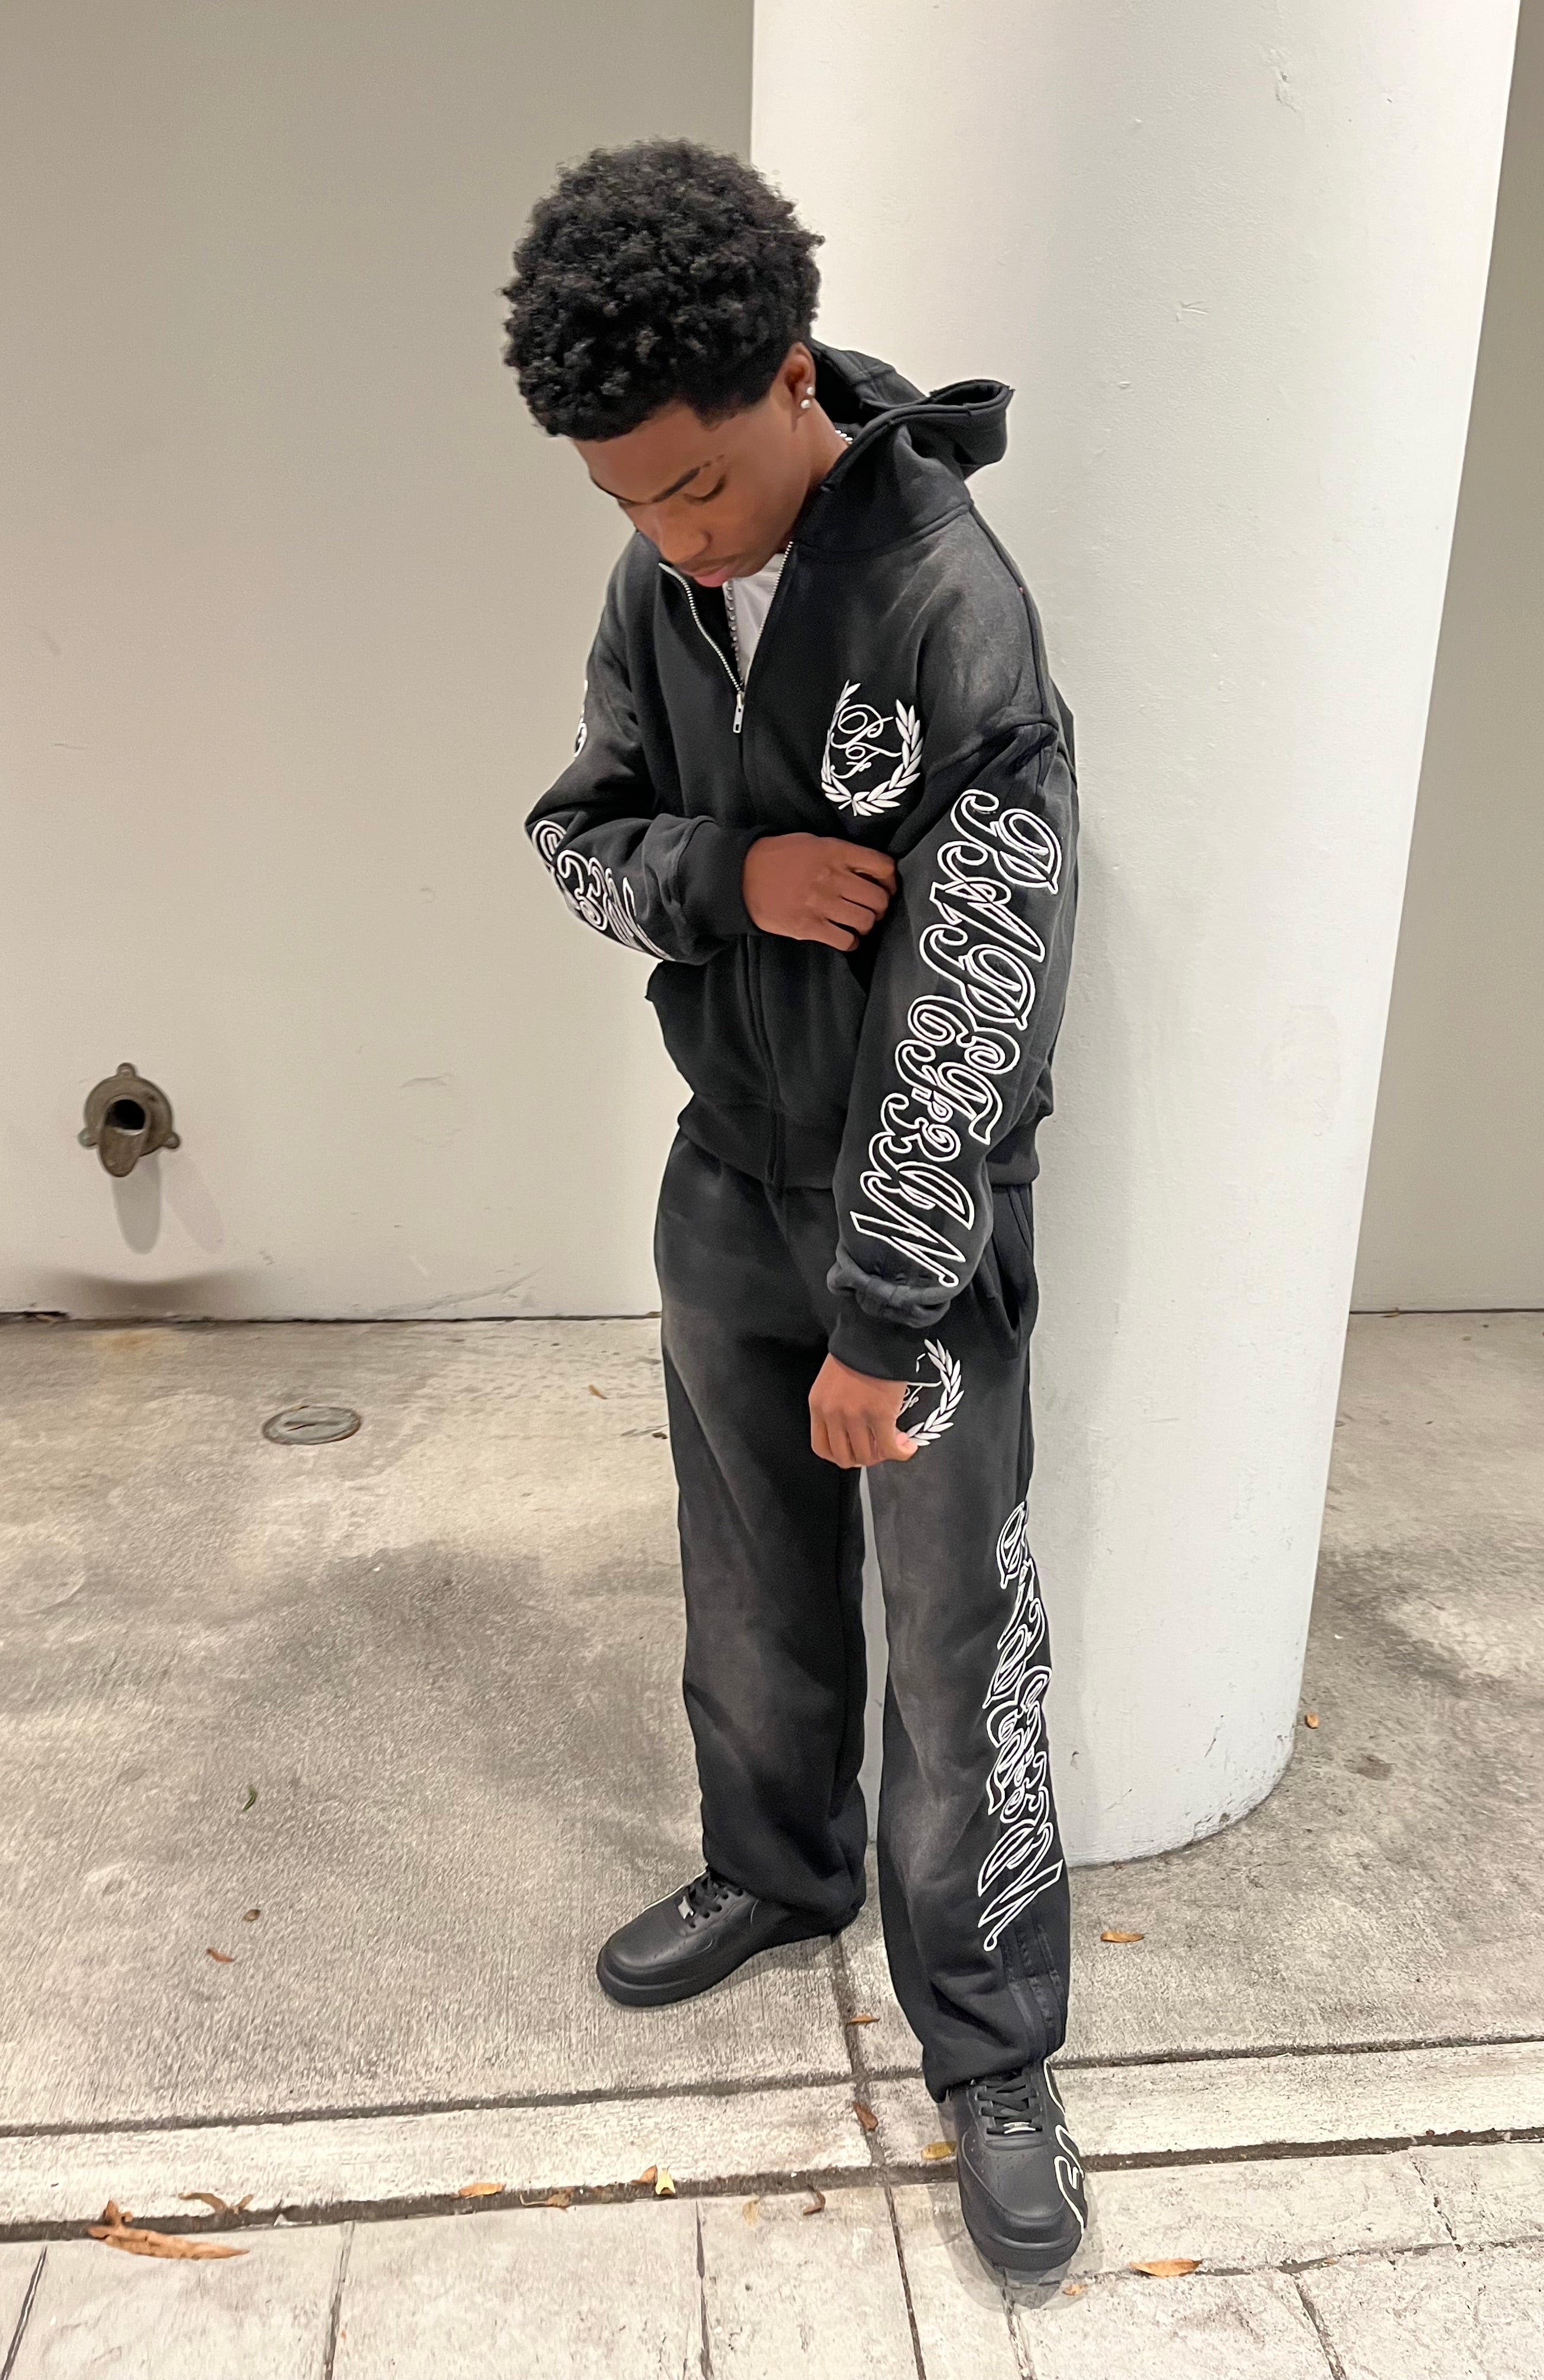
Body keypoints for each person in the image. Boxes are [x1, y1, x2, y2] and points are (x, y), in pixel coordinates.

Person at [504, 139, 1083, 2275]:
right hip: (723, 1182)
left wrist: (886, 1311)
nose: (672, 534)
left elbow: (982, 995)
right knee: (747, 1583)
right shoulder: (656, 587)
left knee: (954, 1644)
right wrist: (724, 877)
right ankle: (775, 1867)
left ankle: (995, 2051)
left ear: (791, 374)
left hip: (908, 1242)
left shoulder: (948, 606)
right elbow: (578, 837)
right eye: (626, 504)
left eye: (693, 486)